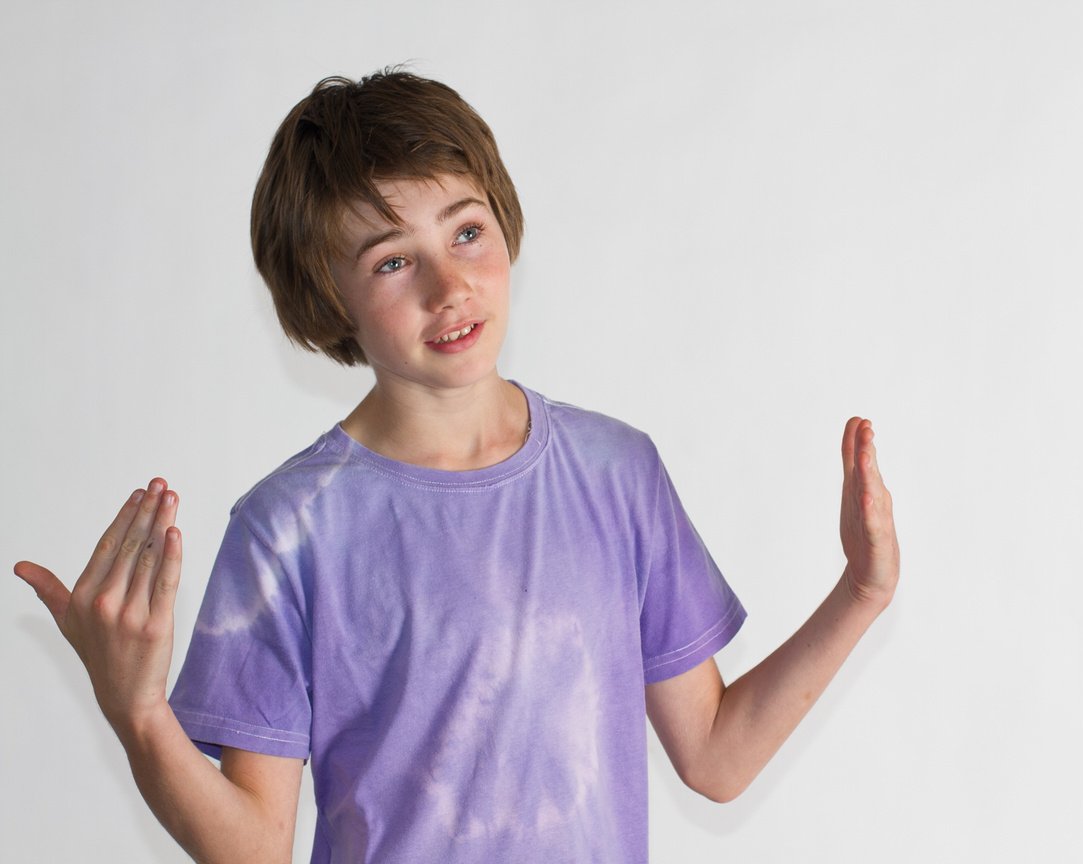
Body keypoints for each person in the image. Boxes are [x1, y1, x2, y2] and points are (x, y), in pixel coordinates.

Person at [13, 69, 900, 863]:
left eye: (466, 232)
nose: (449, 286)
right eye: (394, 261)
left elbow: (714, 756)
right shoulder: (290, 530)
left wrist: (860, 591)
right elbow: (255, 851)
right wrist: (139, 716)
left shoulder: (615, 473)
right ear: (329, 300)